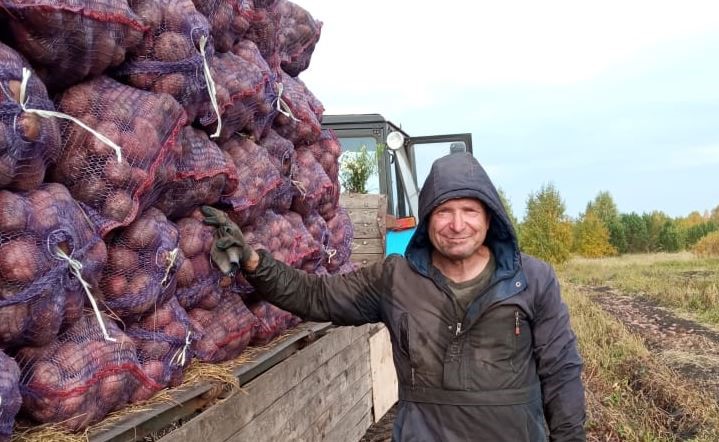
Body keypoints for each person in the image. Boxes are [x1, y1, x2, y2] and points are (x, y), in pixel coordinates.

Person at [202, 152, 586, 442]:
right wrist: (254, 262)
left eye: (469, 210)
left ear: (489, 218)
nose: (457, 224)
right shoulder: (396, 278)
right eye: (444, 212)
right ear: (427, 219)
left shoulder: (533, 279)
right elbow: (316, 295)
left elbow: (561, 370)